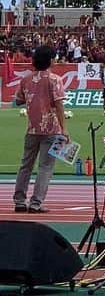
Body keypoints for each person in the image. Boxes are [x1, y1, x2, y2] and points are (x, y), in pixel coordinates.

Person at [13, 45, 68, 214]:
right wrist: (65, 130)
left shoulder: (26, 79)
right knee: (45, 167)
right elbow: (59, 104)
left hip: (32, 128)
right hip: (52, 130)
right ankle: (36, 203)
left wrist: (33, 99)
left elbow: (19, 100)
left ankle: (20, 201)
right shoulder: (55, 79)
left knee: (26, 165)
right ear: (50, 60)